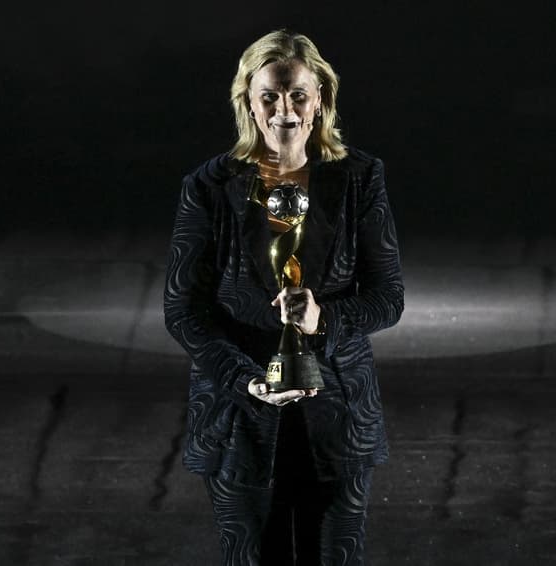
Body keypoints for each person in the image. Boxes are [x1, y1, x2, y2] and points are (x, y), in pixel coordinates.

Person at [164, 29, 404, 566]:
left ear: (320, 99)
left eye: (297, 94)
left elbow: (388, 297)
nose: (284, 110)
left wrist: (323, 317)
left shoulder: (361, 178)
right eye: (269, 95)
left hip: (338, 417)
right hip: (238, 420)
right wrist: (244, 380)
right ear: (248, 101)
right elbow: (183, 310)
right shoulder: (207, 187)